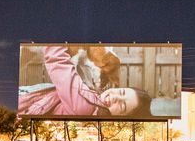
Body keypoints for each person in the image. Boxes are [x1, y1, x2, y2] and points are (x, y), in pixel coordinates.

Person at [18, 46, 151, 117]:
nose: (116, 97)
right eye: (121, 92)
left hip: (22, 104)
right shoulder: (93, 102)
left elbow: (57, 60)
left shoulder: (86, 107)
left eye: (122, 106)